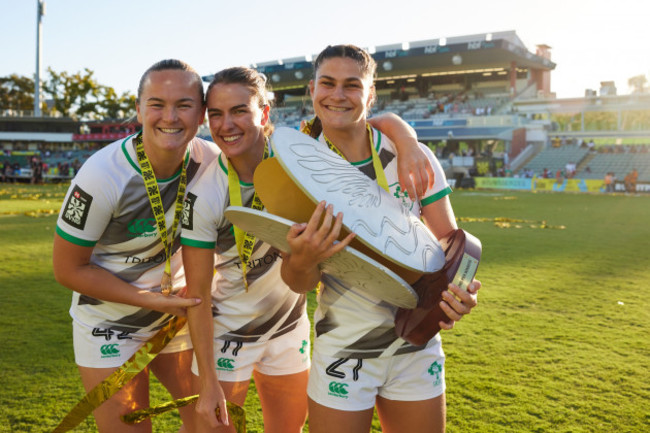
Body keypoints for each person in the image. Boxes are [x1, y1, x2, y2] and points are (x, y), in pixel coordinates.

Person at [180, 66, 440, 433]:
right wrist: (207, 380)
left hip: (289, 329)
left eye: (239, 110)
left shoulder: (304, 150)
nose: (226, 125)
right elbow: (197, 295)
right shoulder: (205, 192)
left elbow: (369, 118)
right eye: (216, 114)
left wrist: (407, 139)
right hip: (228, 333)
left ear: (264, 113)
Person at [280, 45, 482, 433]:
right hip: (344, 343)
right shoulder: (296, 168)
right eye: (328, 83)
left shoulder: (413, 156)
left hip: (415, 340)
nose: (338, 95)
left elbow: (449, 247)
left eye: (352, 85)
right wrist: (303, 260)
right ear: (312, 89)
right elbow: (297, 283)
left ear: (370, 95)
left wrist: (460, 292)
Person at [52, 59, 226, 432]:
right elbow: (67, 269)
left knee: (212, 424)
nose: (170, 117)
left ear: (202, 114)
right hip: (110, 322)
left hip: (177, 316)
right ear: (138, 109)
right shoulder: (102, 175)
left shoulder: (212, 162)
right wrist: (150, 299)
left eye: (183, 105)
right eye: (157, 104)